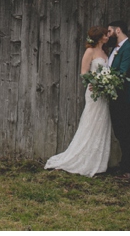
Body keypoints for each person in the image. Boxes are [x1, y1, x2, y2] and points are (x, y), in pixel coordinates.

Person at [44, 26, 112, 177]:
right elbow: (84, 74)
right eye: (105, 34)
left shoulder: (105, 52)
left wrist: (107, 84)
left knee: (102, 124)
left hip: (104, 95)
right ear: (99, 37)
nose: (108, 36)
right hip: (94, 92)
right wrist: (95, 83)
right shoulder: (90, 52)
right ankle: (79, 158)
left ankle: (98, 163)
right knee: (91, 122)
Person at [106, 20, 130, 181]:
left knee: (129, 133)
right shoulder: (114, 49)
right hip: (116, 98)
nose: (107, 35)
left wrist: (103, 81)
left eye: (109, 31)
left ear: (118, 30)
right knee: (120, 133)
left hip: (127, 98)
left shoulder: (129, 50)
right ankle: (124, 165)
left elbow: (122, 73)